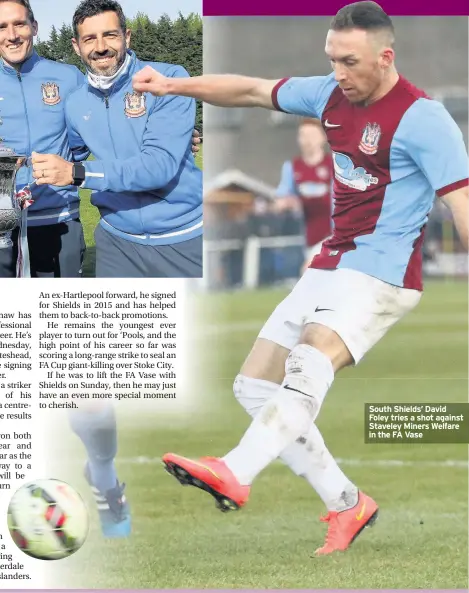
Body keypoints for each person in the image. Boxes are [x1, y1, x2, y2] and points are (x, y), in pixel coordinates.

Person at [133, 1, 468, 555]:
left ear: (386, 58)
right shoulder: (330, 95)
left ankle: (235, 469)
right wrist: (173, 85)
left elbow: (461, 205)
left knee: (310, 357)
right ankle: (347, 502)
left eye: (350, 62)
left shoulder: (424, 118)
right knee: (254, 385)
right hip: (331, 262)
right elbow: (248, 91)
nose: (339, 72)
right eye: (332, 60)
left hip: (383, 272)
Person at [32, 0, 203, 278]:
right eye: (89, 39)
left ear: (127, 36)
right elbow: (66, 155)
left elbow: (158, 166)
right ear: (76, 46)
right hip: (116, 243)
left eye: (110, 35)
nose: (100, 47)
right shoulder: (75, 103)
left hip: (182, 237)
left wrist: (76, 173)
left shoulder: (170, 78)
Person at [0, 0, 86, 277]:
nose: (11, 35)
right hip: (2, 223)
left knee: (59, 313)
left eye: (19, 24)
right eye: (2, 27)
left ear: (34, 27)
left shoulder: (69, 77)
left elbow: (97, 133)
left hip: (59, 219)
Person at [275, 119, 334, 273]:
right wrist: (288, 203)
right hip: (308, 237)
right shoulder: (292, 167)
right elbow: (280, 199)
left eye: (312, 135)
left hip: (334, 235)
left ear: (323, 137)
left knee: (309, 272)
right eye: (303, 135)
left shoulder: (334, 165)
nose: (307, 140)